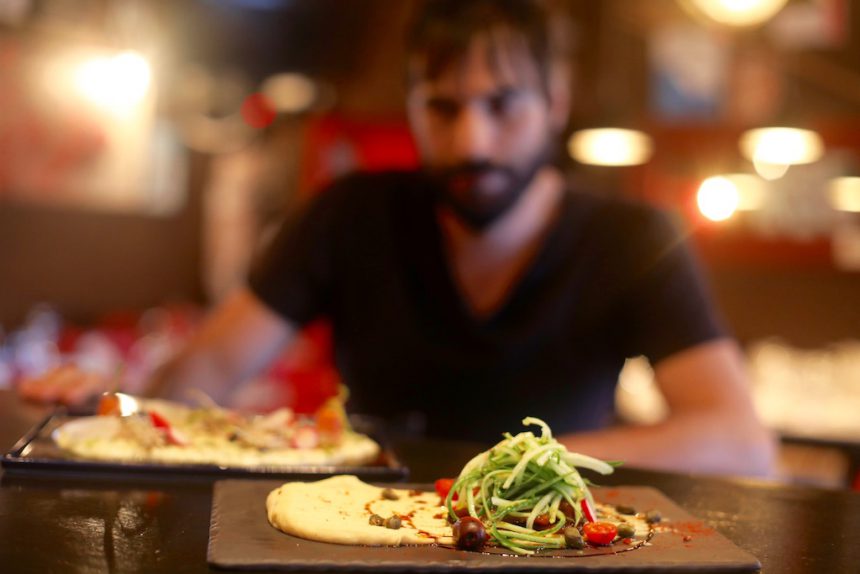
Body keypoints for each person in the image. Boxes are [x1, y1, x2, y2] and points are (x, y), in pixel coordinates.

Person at [20, 0, 775, 476]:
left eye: (501, 104)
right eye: (442, 107)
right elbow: (204, 374)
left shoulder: (632, 236)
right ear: (412, 105)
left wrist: (514, 463)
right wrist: (105, 403)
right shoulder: (347, 213)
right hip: (358, 531)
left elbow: (740, 442)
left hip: (547, 545)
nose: (471, 138)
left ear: (555, 102)